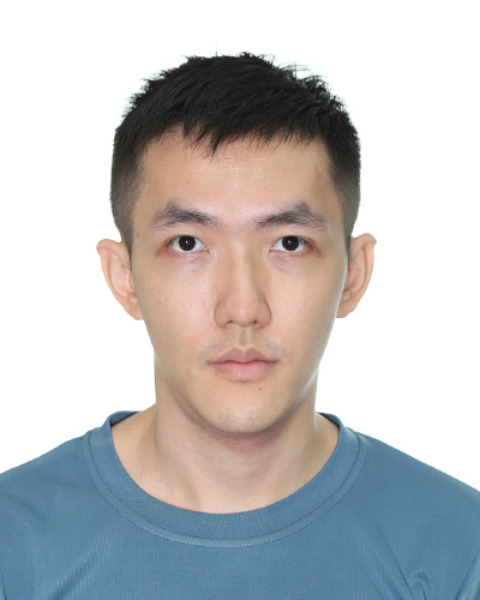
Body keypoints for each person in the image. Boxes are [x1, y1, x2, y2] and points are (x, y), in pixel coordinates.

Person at [1, 53, 479, 599]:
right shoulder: (13, 546)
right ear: (124, 277)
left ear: (354, 274)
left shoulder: (458, 551)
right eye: (187, 244)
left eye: (289, 244)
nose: (243, 307)